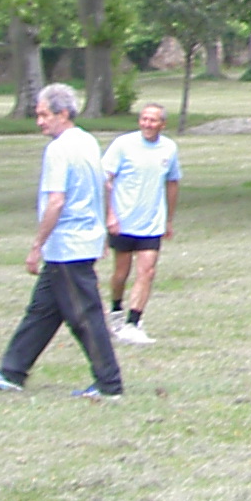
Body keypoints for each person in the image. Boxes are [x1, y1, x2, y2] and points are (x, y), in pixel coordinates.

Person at [0, 84, 124, 399]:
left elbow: (56, 201)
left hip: (68, 246)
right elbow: (103, 187)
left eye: (44, 115)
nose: (39, 121)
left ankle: (109, 384)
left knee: (85, 317)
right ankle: (13, 371)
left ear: (63, 114)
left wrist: (36, 245)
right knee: (42, 312)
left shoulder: (58, 150)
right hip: (77, 242)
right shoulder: (87, 141)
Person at [102, 100, 182, 343]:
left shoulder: (169, 149)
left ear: (162, 124)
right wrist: (110, 214)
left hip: (152, 223)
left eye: (153, 120)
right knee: (121, 274)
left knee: (147, 271)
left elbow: (172, 182)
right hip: (123, 222)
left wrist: (168, 219)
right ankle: (116, 311)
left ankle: (134, 323)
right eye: (144, 119)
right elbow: (106, 179)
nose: (147, 124)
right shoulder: (123, 145)